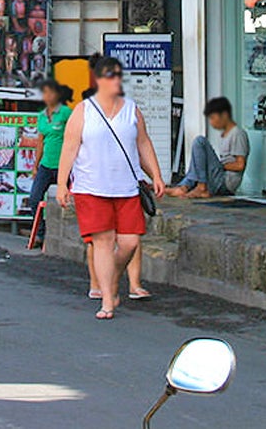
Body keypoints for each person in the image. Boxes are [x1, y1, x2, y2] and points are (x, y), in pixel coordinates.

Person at [57, 55, 166, 320]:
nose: (115, 80)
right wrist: (62, 183)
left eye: (118, 75)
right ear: (99, 80)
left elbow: (143, 143)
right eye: (109, 76)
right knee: (103, 242)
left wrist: (156, 174)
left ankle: (112, 278)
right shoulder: (84, 110)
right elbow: (69, 147)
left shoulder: (131, 109)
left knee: (129, 242)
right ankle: (107, 299)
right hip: (91, 186)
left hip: (126, 187)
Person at [167, 96, 250, 199]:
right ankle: (184, 187)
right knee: (199, 158)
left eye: (213, 118)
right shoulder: (226, 135)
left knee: (200, 141)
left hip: (226, 181)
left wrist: (221, 166)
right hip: (220, 176)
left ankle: (200, 187)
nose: (212, 122)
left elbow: (240, 165)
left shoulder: (238, 134)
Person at [23, 80, 69, 219]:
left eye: (50, 93)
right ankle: (41, 234)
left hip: (63, 165)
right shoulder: (41, 116)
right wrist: (35, 166)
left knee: (64, 201)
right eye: (45, 93)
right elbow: (40, 142)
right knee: (34, 199)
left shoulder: (66, 112)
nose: (47, 96)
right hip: (46, 164)